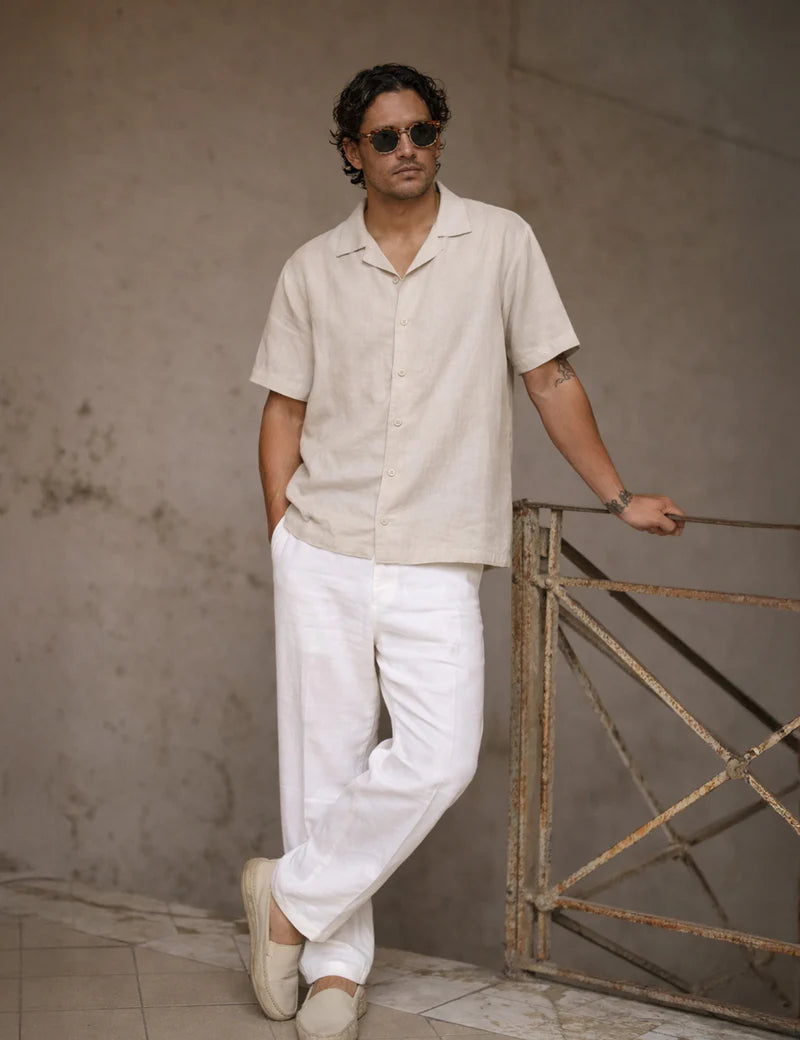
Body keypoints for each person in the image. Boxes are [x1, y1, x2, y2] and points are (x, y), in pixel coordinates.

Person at [241, 63, 685, 1040]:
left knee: (439, 755)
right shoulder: (311, 267)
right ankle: (334, 971)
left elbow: (550, 378)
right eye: (385, 136)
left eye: (422, 131)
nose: (407, 150)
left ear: (438, 137)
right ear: (352, 151)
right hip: (322, 545)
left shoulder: (501, 243)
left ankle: (289, 899)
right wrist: (283, 534)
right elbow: (283, 409)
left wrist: (616, 496)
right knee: (324, 765)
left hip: (438, 550)